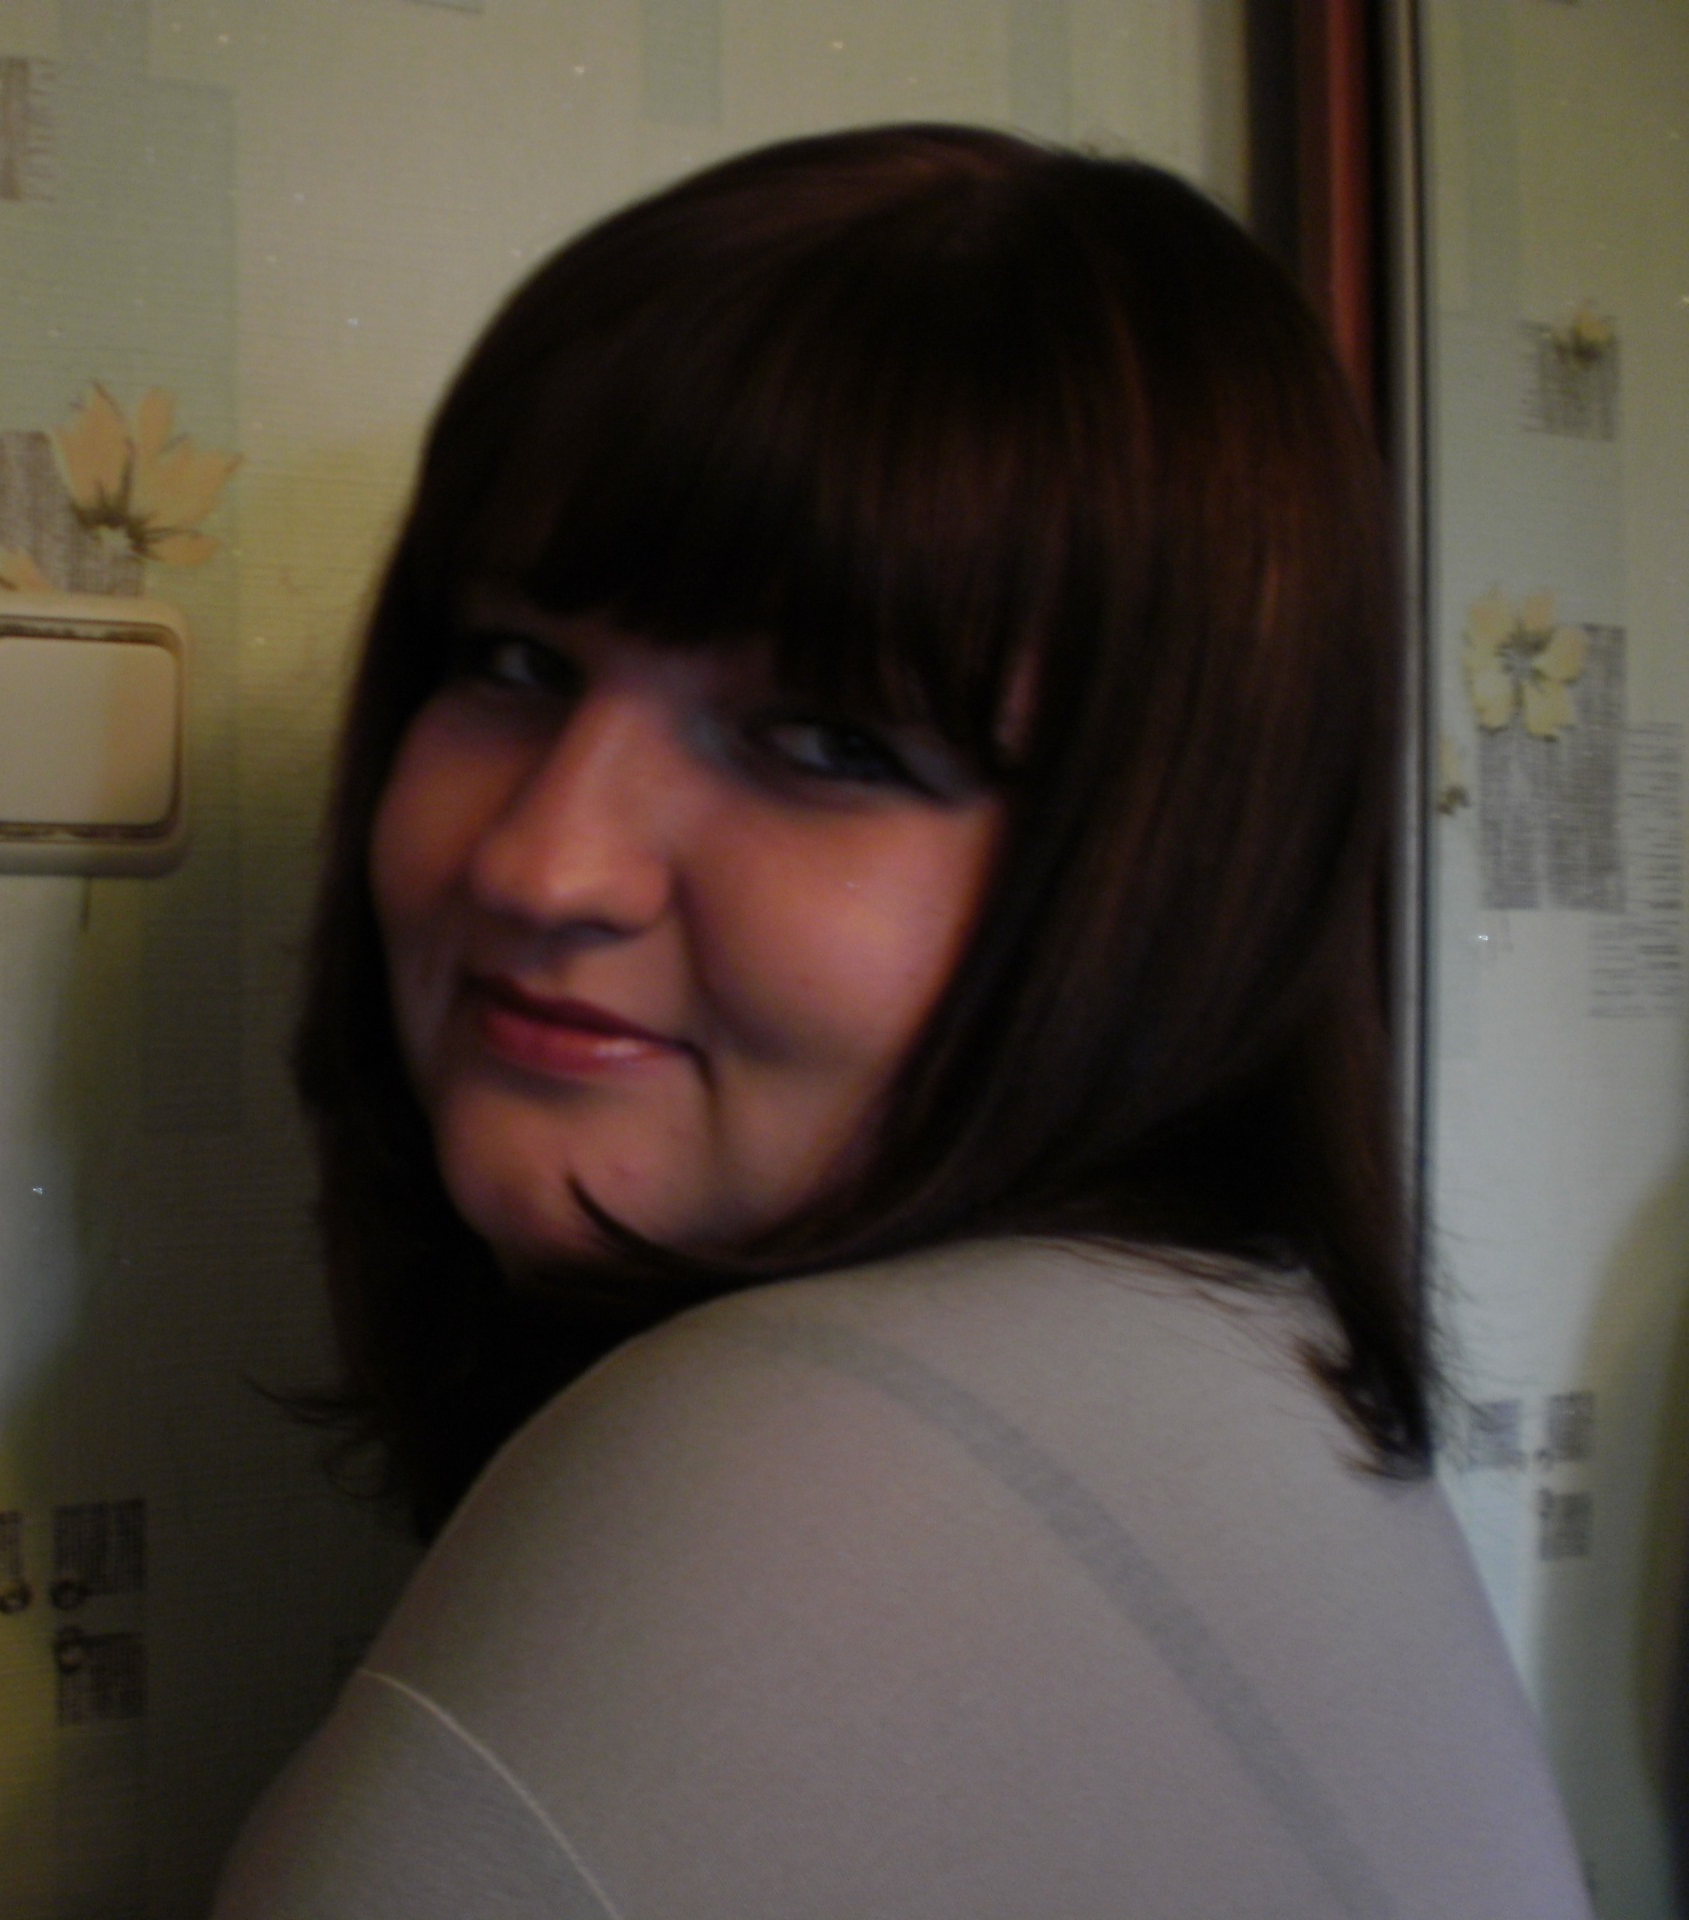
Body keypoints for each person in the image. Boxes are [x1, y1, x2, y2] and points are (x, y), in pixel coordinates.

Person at [213, 126, 1589, 1918]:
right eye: (515, 663)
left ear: (1168, 876)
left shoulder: (781, 1471)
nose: (545, 862)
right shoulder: (1225, 1357)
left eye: (828, 744)